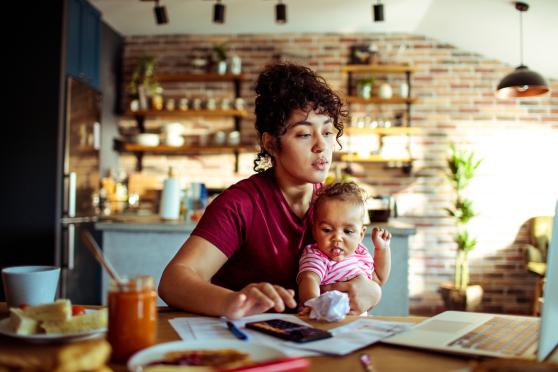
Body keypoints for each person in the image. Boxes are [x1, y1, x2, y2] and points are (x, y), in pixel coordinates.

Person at [159, 62, 382, 319]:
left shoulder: (333, 203)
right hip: (246, 340)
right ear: (271, 144)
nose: (322, 146)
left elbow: (356, 271)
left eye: (328, 131)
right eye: (304, 134)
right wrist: (234, 301)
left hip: (316, 339)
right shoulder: (240, 203)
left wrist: (373, 292)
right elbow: (174, 281)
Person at [297, 182, 391, 315]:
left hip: (357, 323)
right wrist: (313, 304)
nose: (337, 238)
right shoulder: (317, 255)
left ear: (361, 234)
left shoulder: (360, 253)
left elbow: (379, 279)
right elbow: (309, 279)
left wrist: (382, 249)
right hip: (324, 317)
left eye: (347, 231)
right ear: (314, 231)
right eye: (327, 230)